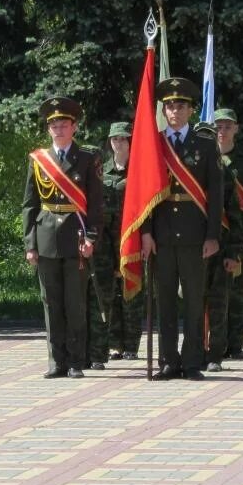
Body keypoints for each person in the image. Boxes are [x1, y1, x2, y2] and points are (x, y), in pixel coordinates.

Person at [141, 77, 224, 381]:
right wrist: (146, 232)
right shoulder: (155, 144)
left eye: (180, 105)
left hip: (194, 233)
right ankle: (168, 361)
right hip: (162, 234)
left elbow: (215, 194)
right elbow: (146, 194)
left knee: (192, 299)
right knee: (164, 300)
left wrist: (213, 235)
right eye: (169, 105)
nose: (174, 110)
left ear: (191, 110)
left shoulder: (205, 145)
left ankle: (191, 362)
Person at [23, 97, 103, 378]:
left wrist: (91, 238)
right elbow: (30, 205)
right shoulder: (39, 161)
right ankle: (55, 361)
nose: (58, 129)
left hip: (76, 237)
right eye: (53, 125)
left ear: (74, 127)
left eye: (63, 125)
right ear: (48, 130)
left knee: (75, 304)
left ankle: (76, 361)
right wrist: (30, 243)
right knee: (51, 303)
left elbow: (95, 204)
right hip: (46, 238)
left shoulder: (87, 159)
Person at [194, 121, 243, 372]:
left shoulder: (225, 171)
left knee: (218, 303)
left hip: (221, 249)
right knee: (194, 303)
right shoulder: (186, 169)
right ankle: (195, 351)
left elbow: (235, 215)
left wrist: (234, 251)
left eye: (209, 138)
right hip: (191, 247)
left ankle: (214, 354)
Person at [101, 122, 144, 362]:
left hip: (131, 239)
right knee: (110, 294)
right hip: (107, 241)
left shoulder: (138, 171)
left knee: (131, 294)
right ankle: (114, 343)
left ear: (130, 142)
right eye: (115, 139)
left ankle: (132, 345)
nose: (118, 143)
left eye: (123, 139)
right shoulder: (103, 171)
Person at [214, 108, 243, 360]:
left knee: (237, 293)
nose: (222, 131)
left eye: (228, 126)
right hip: (212, 233)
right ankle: (214, 343)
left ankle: (235, 345)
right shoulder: (205, 157)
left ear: (236, 129)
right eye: (218, 126)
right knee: (212, 293)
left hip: (238, 235)